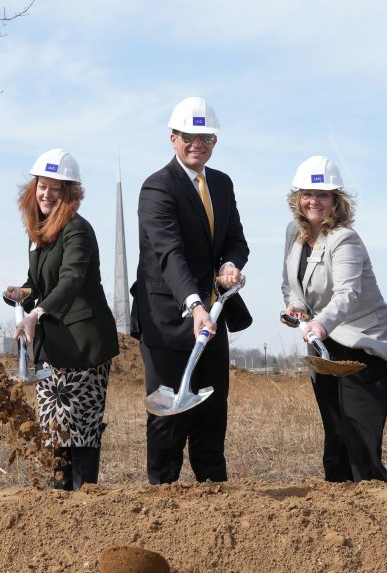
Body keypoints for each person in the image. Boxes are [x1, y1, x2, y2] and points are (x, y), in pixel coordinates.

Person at [131, 96, 253, 484]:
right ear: (173, 138)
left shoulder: (221, 183)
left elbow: (236, 240)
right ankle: (163, 499)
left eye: (206, 137)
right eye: (188, 136)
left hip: (212, 316)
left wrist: (231, 265)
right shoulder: (157, 188)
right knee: (170, 419)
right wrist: (194, 304)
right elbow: (169, 254)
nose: (197, 144)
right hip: (168, 317)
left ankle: (213, 495)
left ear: (214, 142)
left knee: (212, 414)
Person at [2, 149, 119, 491]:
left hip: (84, 346)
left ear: (69, 194)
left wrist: (36, 313)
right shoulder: (38, 233)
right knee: (54, 428)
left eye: (56, 188)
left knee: (80, 429)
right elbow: (39, 282)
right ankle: (60, 497)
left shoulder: (77, 231)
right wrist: (23, 292)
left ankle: (84, 496)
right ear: (34, 187)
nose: (47, 193)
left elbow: (70, 280)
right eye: (43, 185)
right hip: (53, 347)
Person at [281, 156, 387, 484]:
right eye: (308, 193)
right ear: (297, 197)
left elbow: (346, 294)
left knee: (361, 447)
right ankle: (338, 517)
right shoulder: (294, 233)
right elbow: (290, 285)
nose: (314, 201)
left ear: (336, 201)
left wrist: (319, 323)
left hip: (363, 347)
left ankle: (379, 514)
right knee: (335, 441)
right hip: (326, 348)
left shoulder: (344, 238)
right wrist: (297, 308)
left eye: (323, 195)